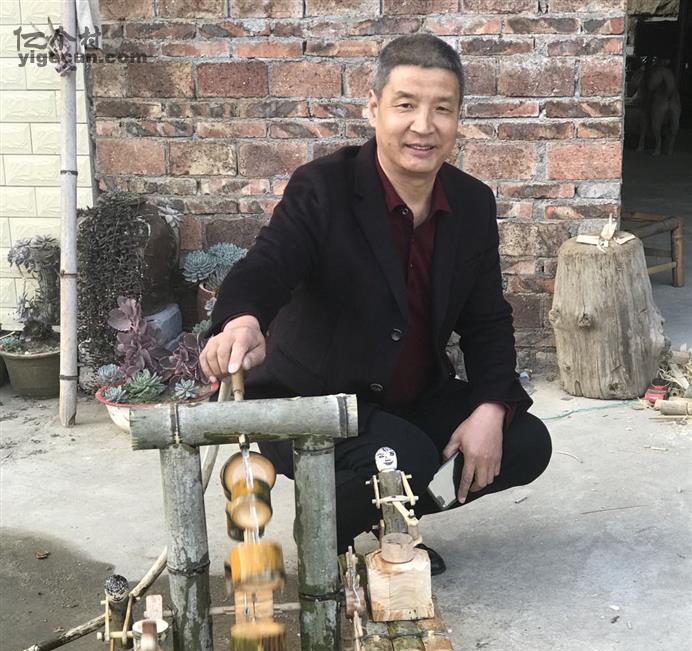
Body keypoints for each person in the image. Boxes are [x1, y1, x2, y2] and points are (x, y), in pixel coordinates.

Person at [201, 33, 552, 573]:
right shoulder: (324, 188)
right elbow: (269, 263)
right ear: (373, 108)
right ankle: (328, 527)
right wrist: (241, 320)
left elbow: (487, 319)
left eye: (442, 109)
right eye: (405, 105)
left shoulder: (472, 203)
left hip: (409, 397)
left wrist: (490, 406)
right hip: (310, 398)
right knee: (403, 455)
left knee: (524, 440)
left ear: (459, 118)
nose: (423, 126)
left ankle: (390, 521)